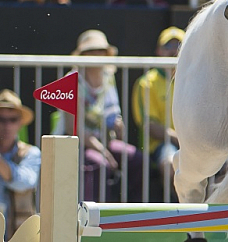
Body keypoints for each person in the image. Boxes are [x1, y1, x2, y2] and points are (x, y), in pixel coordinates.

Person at [59, 30, 144, 202]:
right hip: (76, 143)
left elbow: (113, 115)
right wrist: (101, 150)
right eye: (91, 51)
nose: (97, 55)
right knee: (99, 163)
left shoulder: (108, 77)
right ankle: (95, 220)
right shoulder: (72, 80)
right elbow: (73, 128)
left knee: (136, 159)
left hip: (104, 140)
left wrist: (119, 127)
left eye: (100, 51)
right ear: (82, 55)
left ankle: (134, 216)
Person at [132, 26, 183, 197]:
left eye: (179, 46)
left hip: (194, 142)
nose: (174, 51)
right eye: (169, 46)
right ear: (159, 51)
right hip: (162, 145)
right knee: (170, 163)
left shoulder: (194, 79)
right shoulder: (147, 83)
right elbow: (149, 125)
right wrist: (178, 138)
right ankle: (176, 216)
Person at [0, 90, 40, 239]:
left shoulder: (32, 153)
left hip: (19, 236)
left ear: (20, 122)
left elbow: (24, 182)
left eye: (13, 119)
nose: (7, 125)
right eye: (1, 119)